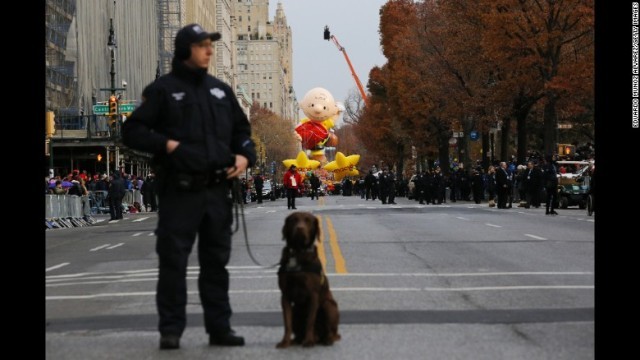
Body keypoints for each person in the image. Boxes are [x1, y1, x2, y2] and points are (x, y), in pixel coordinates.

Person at [122, 24, 256, 350]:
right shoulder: (163, 91)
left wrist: (244, 155)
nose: (209, 50)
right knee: (173, 262)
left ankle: (219, 327)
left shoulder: (221, 91)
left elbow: (242, 131)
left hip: (216, 192)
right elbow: (133, 130)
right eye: (202, 45)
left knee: (216, 263)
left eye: (211, 45)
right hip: (179, 191)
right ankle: (171, 329)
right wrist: (166, 145)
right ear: (186, 51)